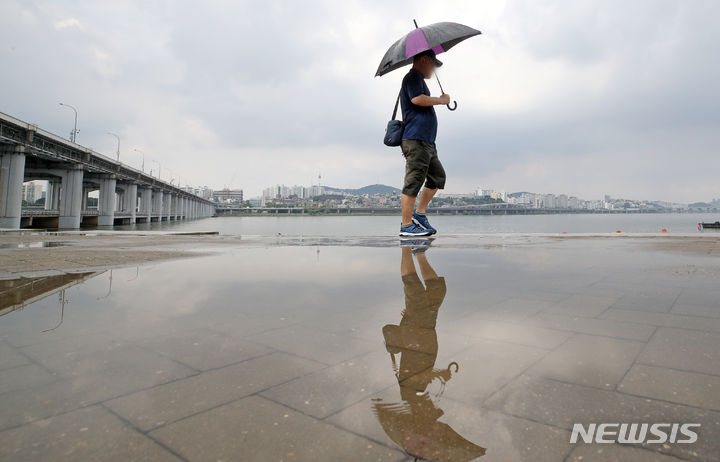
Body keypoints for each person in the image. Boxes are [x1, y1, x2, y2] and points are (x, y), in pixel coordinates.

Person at [398, 49, 450, 237]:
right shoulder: (413, 77)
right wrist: (441, 100)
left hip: (426, 141)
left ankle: (419, 214)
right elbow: (417, 99)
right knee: (413, 182)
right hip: (416, 139)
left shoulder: (419, 80)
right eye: (433, 65)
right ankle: (406, 226)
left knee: (438, 178)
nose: (434, 70)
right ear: (423, 60)